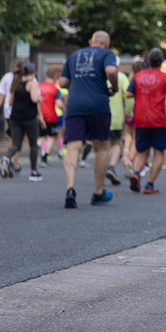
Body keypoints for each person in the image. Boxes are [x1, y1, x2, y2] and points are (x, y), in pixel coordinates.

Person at [58, 30, 119, 209]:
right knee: (101, 148)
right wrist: (113, 87)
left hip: (75, 105)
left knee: (73, 147)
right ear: (106, 44)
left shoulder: (74, 55)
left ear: (90, 41)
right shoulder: (107, 54)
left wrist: (78, 82)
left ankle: (70, 188)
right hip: (98, 105)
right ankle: (98, 192)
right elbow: (111, 71)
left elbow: (62, 83)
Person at [125, 48, 166, 194]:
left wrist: (142, 93)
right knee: (159, 152)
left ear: (148, 61)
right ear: (161, 62)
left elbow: (128, 94)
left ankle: (136, 174)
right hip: (158, 120)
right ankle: (150, 184)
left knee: (142, 150)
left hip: (141, 119)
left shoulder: (137, 77)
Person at [5, 62, 45, 182]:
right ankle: (34, 172)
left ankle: (6, 158)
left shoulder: (16, 83)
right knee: (33, 143)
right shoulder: (32, 84)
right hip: (29, 118)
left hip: (15, 117)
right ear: (32, 73)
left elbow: (10, 102)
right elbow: (34, 98)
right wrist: (39, 98)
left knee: (16, 144)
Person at [0, 59, 26, 178]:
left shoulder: (7, 77)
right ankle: (11, 160)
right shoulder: (28, 78)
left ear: (15, 65)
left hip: (9, 113)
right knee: (18, 140)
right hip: (23, 113)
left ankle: (14, 162)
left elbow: (0, 96)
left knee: (12, 138)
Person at [103, 67, 129, 186]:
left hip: (100, 115)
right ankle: (111, 167)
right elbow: (128, 96)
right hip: (116, 117)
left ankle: (101, 171)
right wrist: (129, 112)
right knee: (115, 144)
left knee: (102, 146)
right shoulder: (122, 77)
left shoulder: (100, 75)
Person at [38, 67, 64, 167]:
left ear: (45, 75)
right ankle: (45, 156)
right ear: (54, 76)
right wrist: (64, 108)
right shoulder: (55, 89)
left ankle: (40, 149)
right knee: (51, 137)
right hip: (51, 116)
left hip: (40, 116)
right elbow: (59, 104)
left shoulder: (39, 86)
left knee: (40, 137)